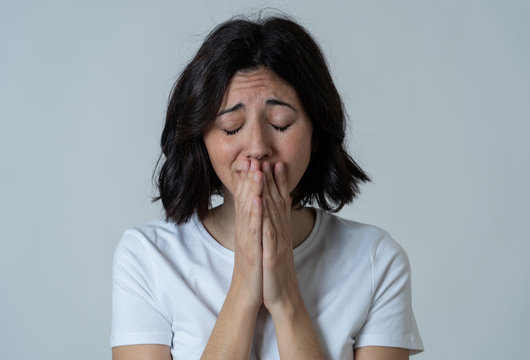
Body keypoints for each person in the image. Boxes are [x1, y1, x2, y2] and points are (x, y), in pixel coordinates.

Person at [111, 15, 424, 360]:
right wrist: (245, 287)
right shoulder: (147, 257)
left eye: (280, 123)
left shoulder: (376, 260)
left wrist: (286, 297)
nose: (258, 147)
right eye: (232, 127)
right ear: (202, 140)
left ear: (316, 133)